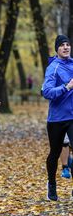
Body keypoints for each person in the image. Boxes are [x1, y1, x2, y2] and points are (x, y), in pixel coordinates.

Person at [42, 34, 73, 201]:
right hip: (56, 119)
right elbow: (47, 92)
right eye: (62, 45)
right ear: (57, 49)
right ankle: (51, 183)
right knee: (54, 153)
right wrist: (66, 87)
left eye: (68, 44)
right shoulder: (53, 67)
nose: (66, 47)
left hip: (72, 117)